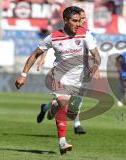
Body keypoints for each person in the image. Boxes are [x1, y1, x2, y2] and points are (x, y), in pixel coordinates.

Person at [15, 6, 101, 155]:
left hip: (81, 79)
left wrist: (96, 66)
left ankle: (51, 106)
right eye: (74, 21)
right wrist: (23, 74)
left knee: (72, 114)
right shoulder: (53, 37)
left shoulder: (85, 35)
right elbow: (35, 54)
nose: (78, 24)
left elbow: (96, 55)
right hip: (61, 76)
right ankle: (62, 142)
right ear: (65, 21)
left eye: (79, 20)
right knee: (63, 103)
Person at [36, 7, 89, 135]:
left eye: (83, 18)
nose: (82, 20)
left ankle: (46, 107)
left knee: (72, 100)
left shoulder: (86, 33)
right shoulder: (67, 31)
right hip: (66, 72)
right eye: (80, 18)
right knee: (69, 100)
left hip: (82, 72)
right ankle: (77, 125)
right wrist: (43, 58)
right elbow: (50, 44)